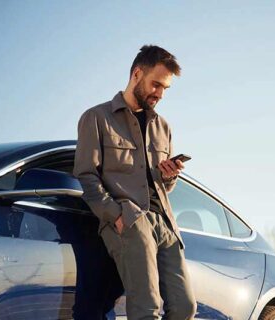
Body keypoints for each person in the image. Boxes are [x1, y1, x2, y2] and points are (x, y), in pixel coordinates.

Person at [73, 45, 197, 320]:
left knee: (186, 307)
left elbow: (163, 187)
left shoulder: (163, 127)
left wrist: (167, 177)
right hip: (129, 219)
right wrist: (116, 215)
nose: (160, 94)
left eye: (165, 88)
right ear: (136, 74)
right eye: (156, 84)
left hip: (165, 222)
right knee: (146, 307)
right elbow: (86, 176)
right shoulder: (96, 118)